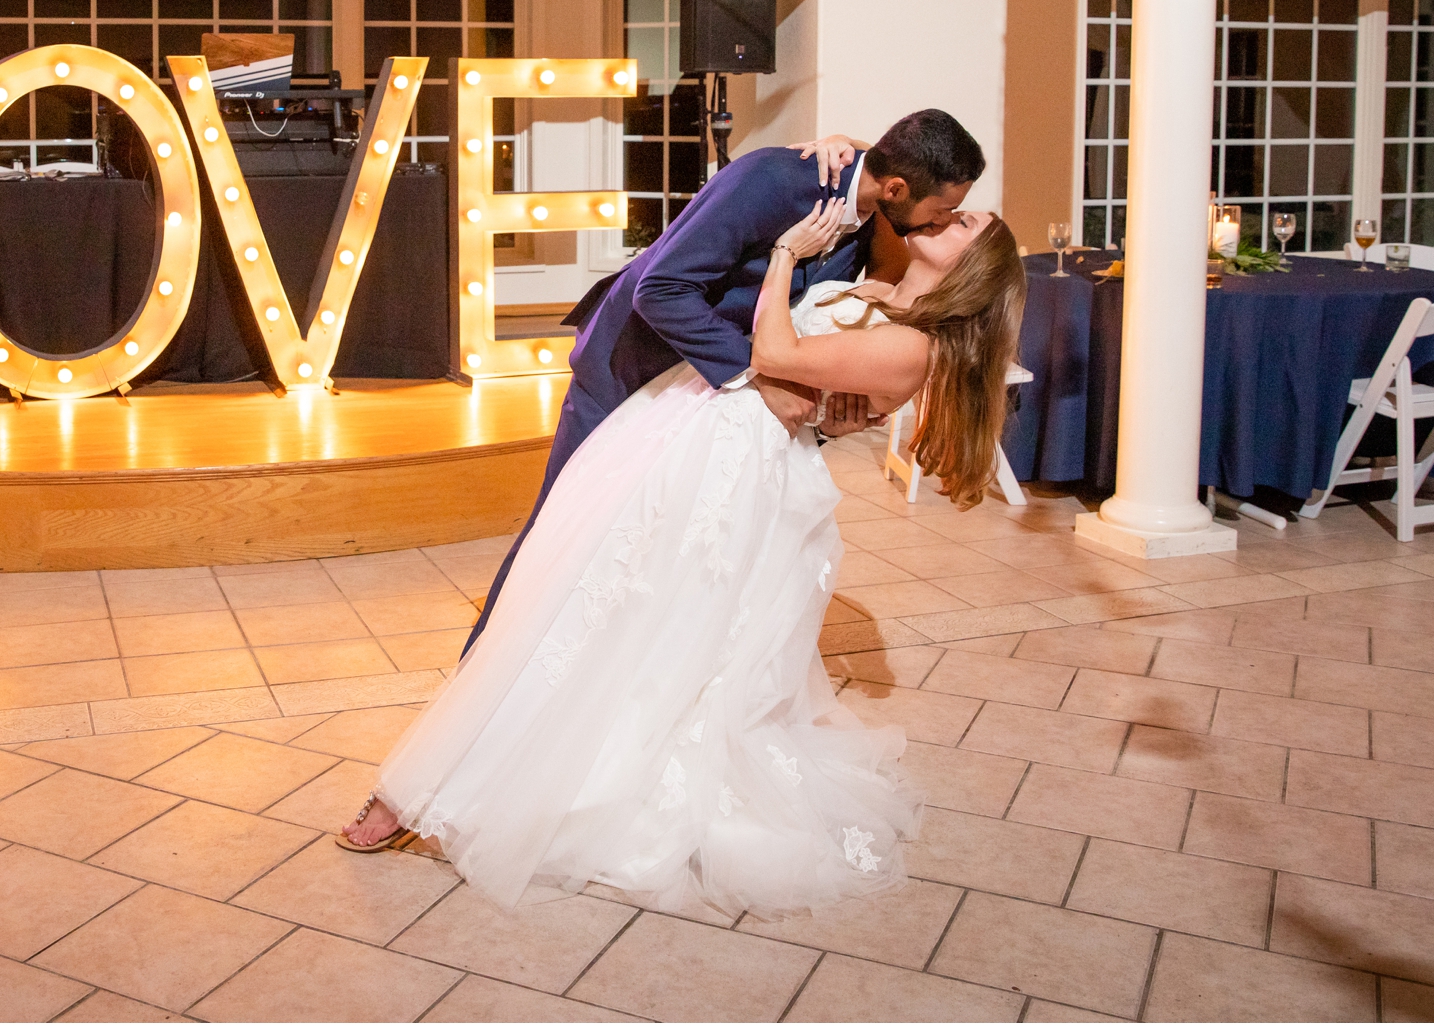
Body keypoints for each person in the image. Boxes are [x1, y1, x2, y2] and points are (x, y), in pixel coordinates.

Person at [335, 201, 1026, 918]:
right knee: (582, 603)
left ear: (973, 267)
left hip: (733, 472)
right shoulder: (874, 289)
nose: (955, 214)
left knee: (648, 627)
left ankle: (523, 785)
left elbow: (775, 356)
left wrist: (787, 254)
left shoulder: (912, 344)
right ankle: (458, 773)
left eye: (968, 224)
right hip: (687, 428)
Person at [461, 109, 988, 654]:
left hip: (704, 394)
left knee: (650, 550)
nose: (942, 221)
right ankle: (486, 665)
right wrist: (760, 377)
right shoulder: (770, 180)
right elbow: (661, 290)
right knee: (565, 527)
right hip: (630, 362)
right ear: (899, 188)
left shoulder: (881, 211)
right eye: (942, 210)